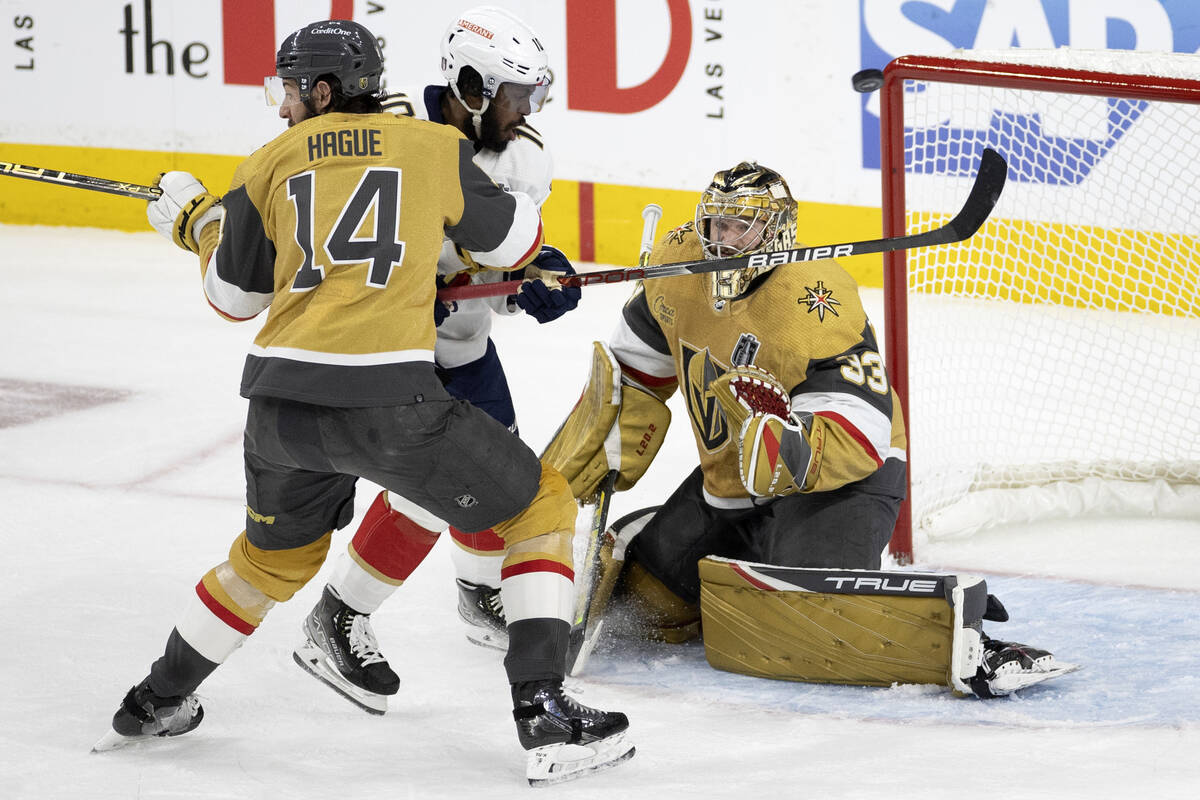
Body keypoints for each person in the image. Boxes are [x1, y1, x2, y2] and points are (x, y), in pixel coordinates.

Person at [94, 20, 632, 785]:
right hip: (390, 400)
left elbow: (233, 297)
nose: (282, 107)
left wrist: (199, 222)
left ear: (319, 91)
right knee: (541, 504)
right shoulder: (431, 148)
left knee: (266, 565)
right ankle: (543, 708)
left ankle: (155, 699)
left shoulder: (267, 161)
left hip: (279, 410)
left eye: (287, 90)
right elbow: (516, 239)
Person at [543, 161, 1069, 697]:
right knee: (647, 607)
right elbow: (636, 368)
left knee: (808, 625)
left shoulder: (817, 297)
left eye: (739, 226)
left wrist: (793, 449)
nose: (721, 241)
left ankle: (971, 643)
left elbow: (865, 430)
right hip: (731, 483)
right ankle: (698, 549)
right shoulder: (679, 266)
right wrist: (613, 427)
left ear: (776, 231)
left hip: (841, 485)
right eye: (714, 224)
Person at [290, 7, 579, 718]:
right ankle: (337, 615)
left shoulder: (524, 157)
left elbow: (492, 265)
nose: (528, 112)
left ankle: (480, 591)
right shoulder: (386, 140)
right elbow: (326, 249)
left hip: (463, 349)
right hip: (387, 354)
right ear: (473, 86)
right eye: (519, 95)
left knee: (500, 464)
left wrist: (528, 287)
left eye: (535, 96)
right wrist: (409, 298)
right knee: (441, 482)